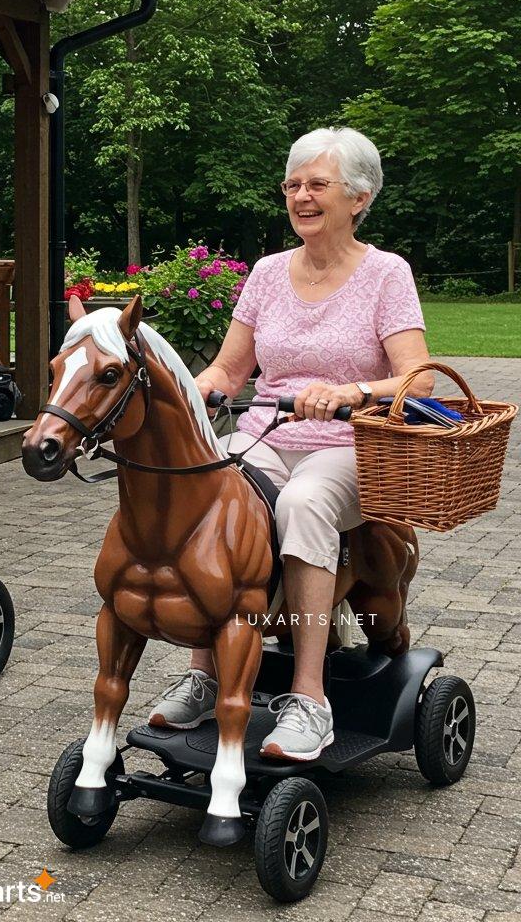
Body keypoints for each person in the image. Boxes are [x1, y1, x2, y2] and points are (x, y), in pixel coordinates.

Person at [149, 126, 433, 761]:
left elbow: (419, 379)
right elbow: (230, 369)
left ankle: (310, 698)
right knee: (207, 488)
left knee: (302, 503)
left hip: (353, 445)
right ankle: (204, 671)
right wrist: (195, 389)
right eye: (293, 185)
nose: (302, 196)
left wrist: (352, 392)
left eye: (317, 184)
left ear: (358, 198)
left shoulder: (387, 274)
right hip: (268, 433)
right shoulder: (269, 273)